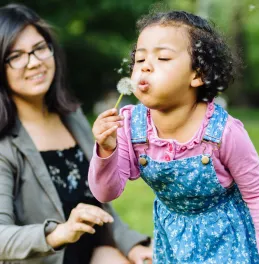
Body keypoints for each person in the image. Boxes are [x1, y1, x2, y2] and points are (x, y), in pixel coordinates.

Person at [88, 10, 259, 263]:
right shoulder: (130, 126)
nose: (146, 66)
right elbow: (106, 193)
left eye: (162, 57)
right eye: (139, 60)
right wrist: (106, 149)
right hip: (172, 243)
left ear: (198, 74)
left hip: (228, 243)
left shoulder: (222, 132)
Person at [0, 3, 152, 264]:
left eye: (39, 48)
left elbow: (100, 207)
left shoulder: (73, 117)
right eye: (16, 56)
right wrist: (59, 232)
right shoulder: (5, 145)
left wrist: (133, 246)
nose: (34, 62)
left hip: (94, 253)